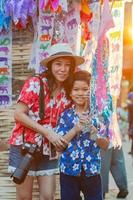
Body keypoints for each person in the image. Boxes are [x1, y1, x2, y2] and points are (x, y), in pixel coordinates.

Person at [8, 43, 85, 200]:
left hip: (48, 150)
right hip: (24, 147)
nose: (63, 69)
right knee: (24, 198)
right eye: (58, 64)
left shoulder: (68, 92)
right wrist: (47, 132)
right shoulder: (36, 83)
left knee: (48, 196)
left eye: (67, 65)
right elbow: (19, 114)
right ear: (50, 66)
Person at [56, 70, 110, 200]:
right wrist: (75, 129)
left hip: (92, 172)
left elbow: (106, 145)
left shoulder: (100, 115)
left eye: (85, 89)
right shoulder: (65, 115)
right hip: (68, 172)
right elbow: (59, 147)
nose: (80, 93)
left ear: (91, 91)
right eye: (76, 89)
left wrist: (93, 131)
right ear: (70, 92)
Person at [101, 112, 128, 199]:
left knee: (103, 164)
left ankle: (101, 191)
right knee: (117, 160)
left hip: (102, 130)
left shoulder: (94, 98)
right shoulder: (109, 98)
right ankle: (123, 187)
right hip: (113, 127)